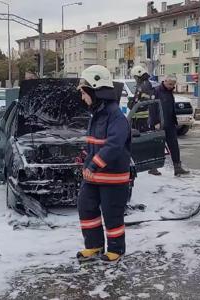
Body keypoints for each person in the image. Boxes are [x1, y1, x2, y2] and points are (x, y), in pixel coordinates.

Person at [76, 65, 131, 263]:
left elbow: (114, 146)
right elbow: (95, 144)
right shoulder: (97, 114)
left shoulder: (116, 115)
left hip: (113, 178)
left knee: (112, 214)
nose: (83, 98)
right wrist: (85, 158)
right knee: (86, 207)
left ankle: (116, 249)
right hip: (94, 177)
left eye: (84, 93)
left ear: (94, 90)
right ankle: (94, 246)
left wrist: (93, 165)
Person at [149, 75, 190, 177]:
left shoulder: (169, 91)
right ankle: (153, 168)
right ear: (165, 81)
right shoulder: (156, 91)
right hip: (160, 123)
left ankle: (177, 167)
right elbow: (152, 107)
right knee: (158, 146)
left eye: (173, 85)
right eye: (170, 84)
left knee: (174, 146)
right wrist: (155, 122)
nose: (171, 86)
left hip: (170, 122)